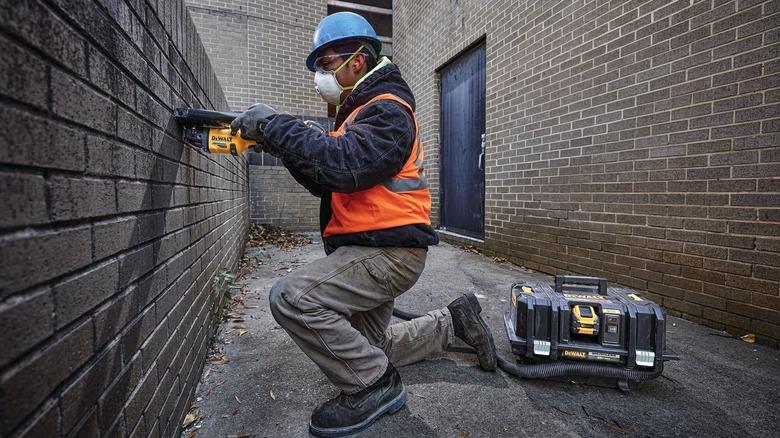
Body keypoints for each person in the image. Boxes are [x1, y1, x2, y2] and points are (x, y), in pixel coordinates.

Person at [229, 11, 497, 437]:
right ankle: (452, 323)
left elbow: (342, 163)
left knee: (292, 298)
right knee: (368, 348)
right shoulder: (355, 114)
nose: (321, 76)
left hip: (387, 254)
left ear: (357, 60)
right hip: (372, 249)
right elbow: (326, 180)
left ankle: (376, 387)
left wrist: (277, 125)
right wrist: (276, 143)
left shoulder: (388, 111)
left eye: (326, 63)